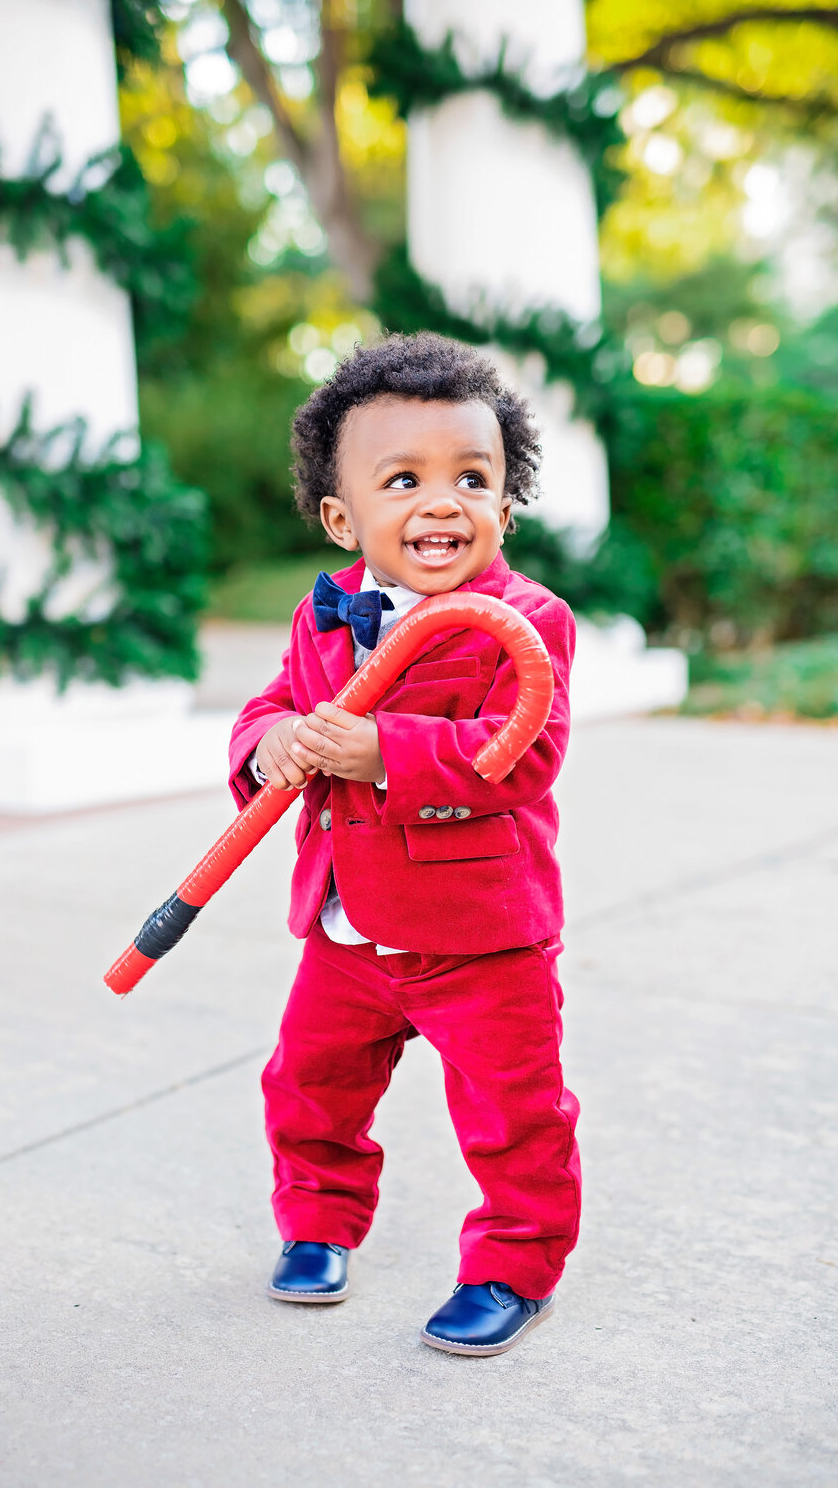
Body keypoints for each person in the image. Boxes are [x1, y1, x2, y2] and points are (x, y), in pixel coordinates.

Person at [228, 332, 581, 1357]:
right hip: (346, 925)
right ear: (344, 515)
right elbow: (269, 708)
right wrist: (275, 742)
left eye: (472, 477)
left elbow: (520, 754)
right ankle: (317, 1225)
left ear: (505, 505)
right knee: (308, 1082)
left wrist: (387, 749)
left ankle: (515, 1262)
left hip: (478, 931)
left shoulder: (527, 620)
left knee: (513, 1110)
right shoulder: (324, 614)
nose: (441, 501)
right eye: (403, 479)